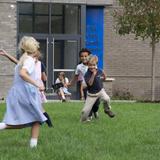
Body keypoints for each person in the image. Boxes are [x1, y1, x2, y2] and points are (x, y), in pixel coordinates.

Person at [0, 36, 47, 148]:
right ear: (34, 49)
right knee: (32, 120)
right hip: (26, 93)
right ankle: (2, 126)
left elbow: (19, 65)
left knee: (36, 119)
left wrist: (6, 55)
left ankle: (33, 147)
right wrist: (37, 84)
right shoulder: (29, 61)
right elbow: (23, 73)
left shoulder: (24, 60)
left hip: (18, 93)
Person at [0, 49, 53, 128]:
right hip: (30, 89)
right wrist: (6, 54)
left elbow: (43, 77)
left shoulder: (36, 64)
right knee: (36, 113)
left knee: (38, 111)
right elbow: (16, 62)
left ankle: (48, 126)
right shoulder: (28, 63)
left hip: (34, 88)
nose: (34, 60)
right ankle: (48, 125)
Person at [81, 55, 115, 122]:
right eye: (90, 65)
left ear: (96, 64)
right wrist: (93, 74)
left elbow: (104, 78)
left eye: (94, 65)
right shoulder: (87, 74)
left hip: (100, 91)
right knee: (85, 111)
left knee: (107, 99)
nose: (92, 67)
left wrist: (104, 75)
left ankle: (107, 110)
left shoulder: (99, 71)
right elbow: (90, 84)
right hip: (91, 94)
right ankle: (83, 120)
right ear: (87, 65)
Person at [70, 48, 100, 120]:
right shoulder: (79, 67)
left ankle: (95, 111)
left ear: (89, 56)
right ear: (80, 57)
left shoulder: (93, 64)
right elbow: (76, 77)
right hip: (86, 86)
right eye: (82, 56)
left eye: (86, 56)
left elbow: (97, 74)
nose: (84, 58)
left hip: (95, 86)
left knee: (96, 103)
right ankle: (89, 116)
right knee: (88, 102)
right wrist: (70, 83)